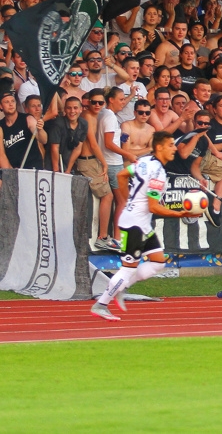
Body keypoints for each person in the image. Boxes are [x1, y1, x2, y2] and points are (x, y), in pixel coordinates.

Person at [91, 132, 195, 321]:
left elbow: (122, 175)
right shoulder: (158, 174)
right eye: (170, 145)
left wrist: (126, 199)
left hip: (140, 223)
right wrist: (181, 214)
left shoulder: (144, 161)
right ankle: (101, 304)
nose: (174, 148)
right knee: (128, 268)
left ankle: (122, 287)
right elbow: (153, 206)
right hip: (135, 226)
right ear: (159, 147)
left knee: (157, 261)